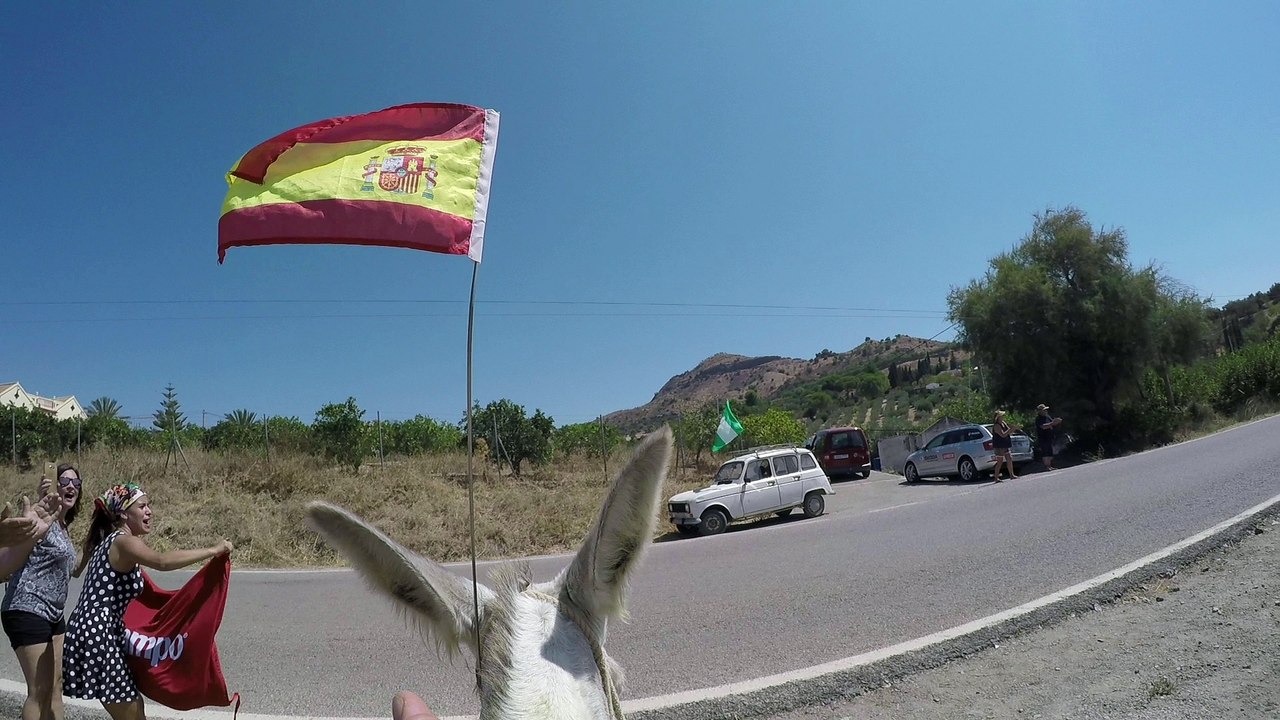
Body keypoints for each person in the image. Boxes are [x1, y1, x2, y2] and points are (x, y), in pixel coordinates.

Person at [62, 483, 233, 720]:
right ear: (123, 513)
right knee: (131, 713)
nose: (149, 511)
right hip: (97, 634)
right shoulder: (124, 541)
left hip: (95, 631)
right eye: (142, 506)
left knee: (133, 709)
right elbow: (162, 561)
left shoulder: (114, 542)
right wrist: (213, 550)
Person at [1, 463, 83, 720]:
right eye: (65, 481)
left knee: (56, 688)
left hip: (54, 616)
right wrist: (32, 525)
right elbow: (7, 561)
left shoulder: (62, 527)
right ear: (52, 486)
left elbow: (74, 569)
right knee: (39, 690)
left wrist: (96, 541)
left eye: (76, 483)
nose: (71, 486)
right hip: (27, 608)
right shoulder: (39, 519)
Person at [991, 410, 1020, 481]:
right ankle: (996, 477)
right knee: (1000, 461)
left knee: (1009, 458)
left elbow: (1008, 433)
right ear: (998, 417)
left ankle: (1011, 475)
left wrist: (1014, 429)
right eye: (1002, 416)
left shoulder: (1003, 423)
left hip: (1005, 444)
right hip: (999, 445)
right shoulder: (996, 425)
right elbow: (1003, 435)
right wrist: (1011, 429)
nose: (1003, 417)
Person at [1035, 404, 1064, 471]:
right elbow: (1043, 426)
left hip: (1049, 437)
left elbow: (1052, 423)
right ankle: (1046, 466)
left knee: (1050, 451)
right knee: (1045, 452)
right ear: (1040, 411)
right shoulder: (1038, 419)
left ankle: (1050, 465)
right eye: (1044, 410)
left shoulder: (1047, 417)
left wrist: (1056, 422)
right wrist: (1053, 423)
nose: (1046, 411)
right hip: (1043, 438)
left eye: (1046, 410)